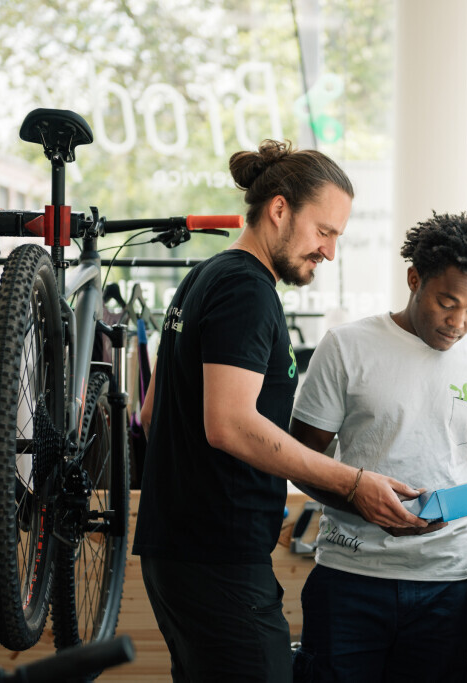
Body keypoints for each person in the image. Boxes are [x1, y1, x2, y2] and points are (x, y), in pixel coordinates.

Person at [132, 140, 428, 683]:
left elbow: (151, 417)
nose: (330, 252)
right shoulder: (248, 290)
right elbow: (229, 424)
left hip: (180, 555)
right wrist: (352, 481)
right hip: (217, 560)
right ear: (278, 209)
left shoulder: (202, 278)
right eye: (325, 231)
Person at [289, 210, 467, 683]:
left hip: (444, 586)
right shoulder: (346, 347)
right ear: (414, 279)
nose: (459, 323)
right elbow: (300, 461)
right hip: (349, 577)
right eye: (448, 303)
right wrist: (356, 496)